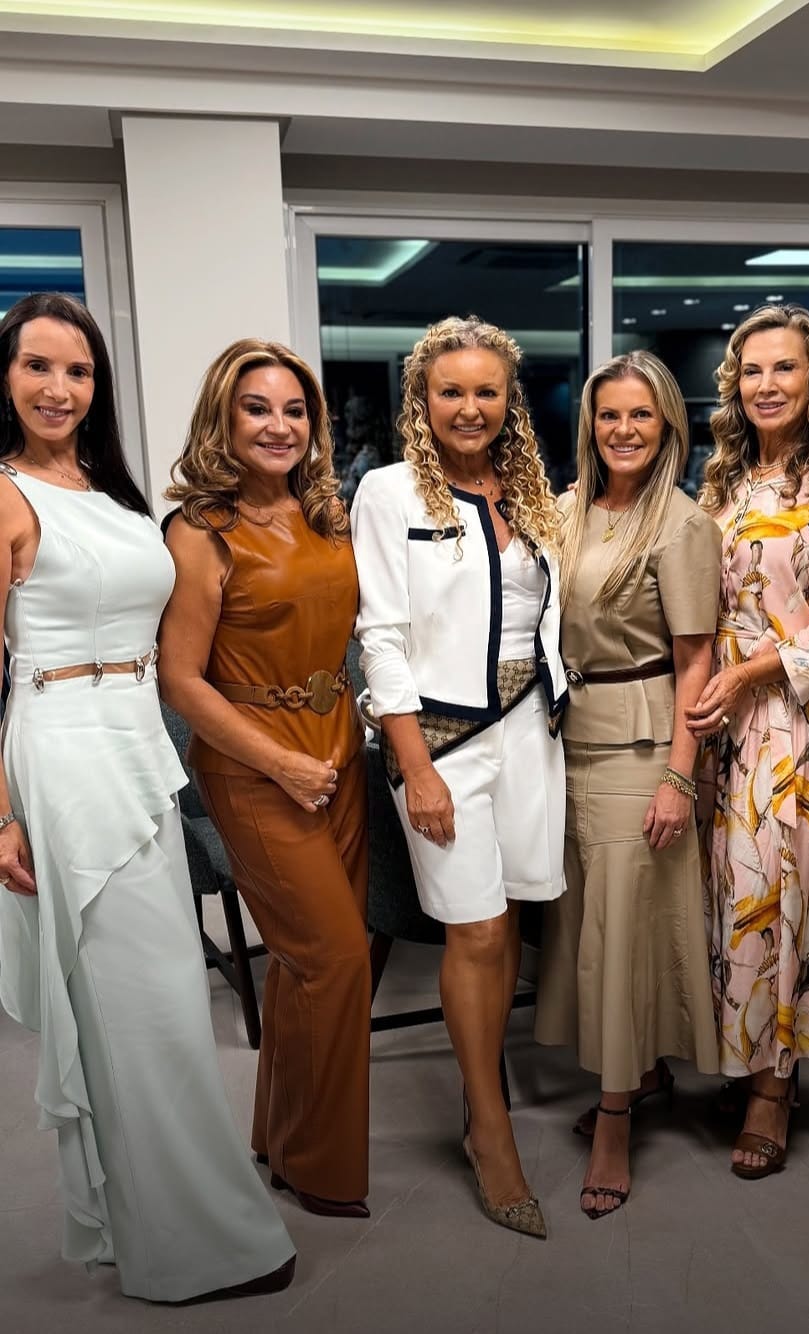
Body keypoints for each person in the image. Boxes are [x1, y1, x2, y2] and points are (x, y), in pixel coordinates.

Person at [0, 294, 295, 1302]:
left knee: (163, 998)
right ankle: (191, 1245)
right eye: (38, 366)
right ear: (5, 377)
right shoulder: (4, 494)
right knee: (138, 1008)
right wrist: (2, 814)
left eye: (78, 371)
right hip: (64, 750)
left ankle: (173, 1226)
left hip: (136, 746)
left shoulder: (113, 492)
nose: (58, 388)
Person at [353, 315, 565, 1240]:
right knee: (473, 930)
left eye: (487, 391)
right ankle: (489, 1129)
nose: (470, 407)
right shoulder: (388, 491)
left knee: (506, 920)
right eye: (451, 391)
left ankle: (489, 1103)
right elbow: (380, 636)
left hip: (530, 735)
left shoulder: (535, 493)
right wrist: (414, 768)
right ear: (422, 399)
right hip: (439, 745)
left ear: (509, 399)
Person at [158, 339, 371, 1217]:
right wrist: (279, 761)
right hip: (255, 763)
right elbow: (180, 680)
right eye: (257, 408)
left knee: (297, 964)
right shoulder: (198, 530)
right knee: (336, 959)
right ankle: (321, 1168)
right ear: (224, 416)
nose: (279, 426)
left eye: (294, 410)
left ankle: (278, 1138)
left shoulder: (328, 512)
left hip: (339, 750)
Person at [688, 304, 809, 1179]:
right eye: (752, 370)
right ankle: (740, 1054)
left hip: (784, 727)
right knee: (726, 897)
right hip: (715, 721)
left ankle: (775, 1085)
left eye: (785, 368)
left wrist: (749, 675)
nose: (767, 385)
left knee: (778, 892)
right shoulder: (721, 486)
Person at [534, 351, 722, 1219]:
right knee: (588, 926)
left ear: (668, 425)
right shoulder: (566, 510)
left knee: (617, 936)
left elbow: (697, 659)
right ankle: (639, 1075)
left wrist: (681, 775)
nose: (623, 429)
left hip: (643, 745)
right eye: (609, 414)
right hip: (566, 739)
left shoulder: (681, 524)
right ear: (589, 423)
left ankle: (614, 1121)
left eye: (641, 415)